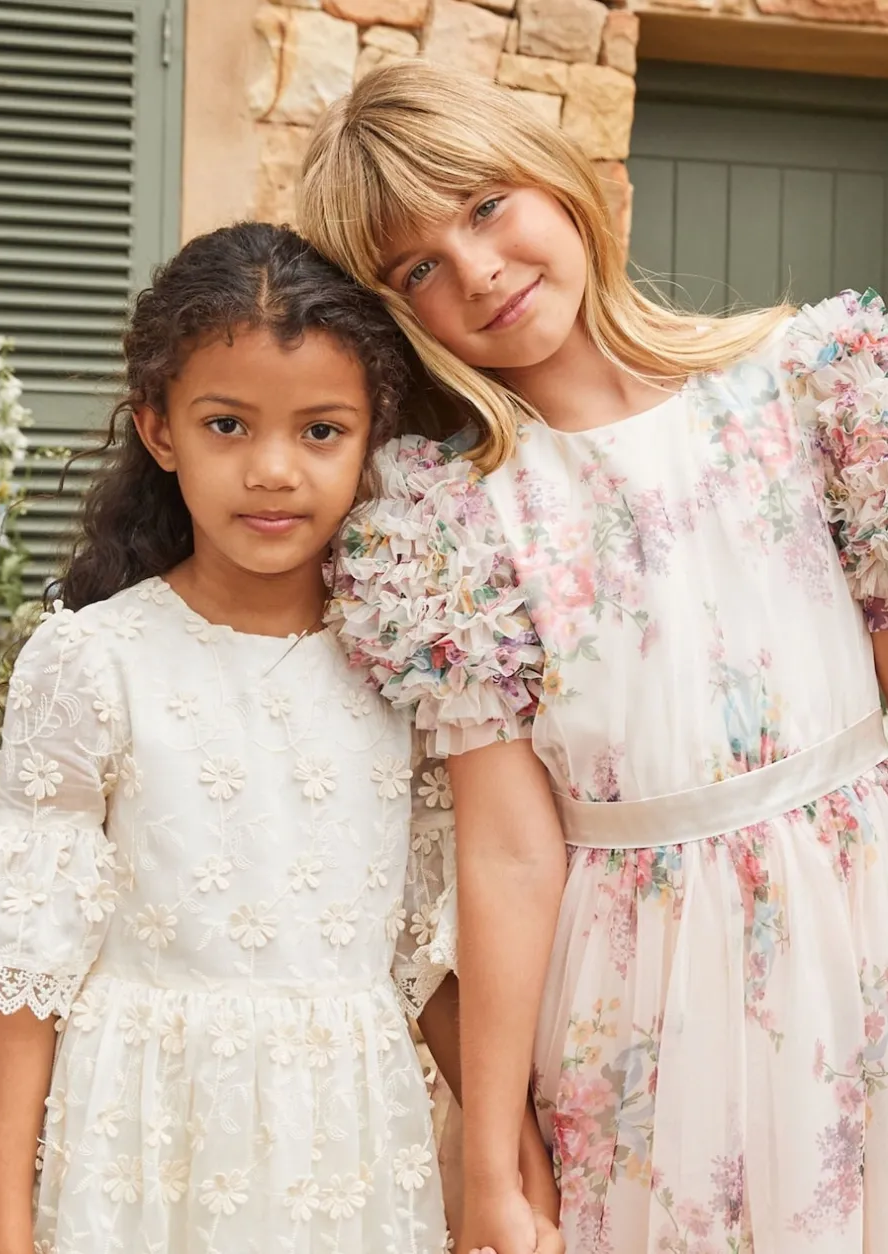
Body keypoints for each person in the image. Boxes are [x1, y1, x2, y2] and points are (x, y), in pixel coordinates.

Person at [298, 61, 888, 1254]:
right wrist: (491, 1161)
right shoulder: (448, 523)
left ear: (560, 181)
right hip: (638, 994)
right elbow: (510, 854)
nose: (477, 270)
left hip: (860, 910)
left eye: (484, 206)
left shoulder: (807, 385)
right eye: (417, 269)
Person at [0, 221, 540, 1254]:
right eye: (227, 425)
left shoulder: (399, 668)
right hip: (143, 1159)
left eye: (320, 431)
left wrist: (517, 1157)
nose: (273, 470)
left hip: (345, 1156)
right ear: (160, 430)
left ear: (371, 437)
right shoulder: (93, 662)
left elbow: (422, 952)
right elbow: (24, 981)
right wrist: (0, 1239)